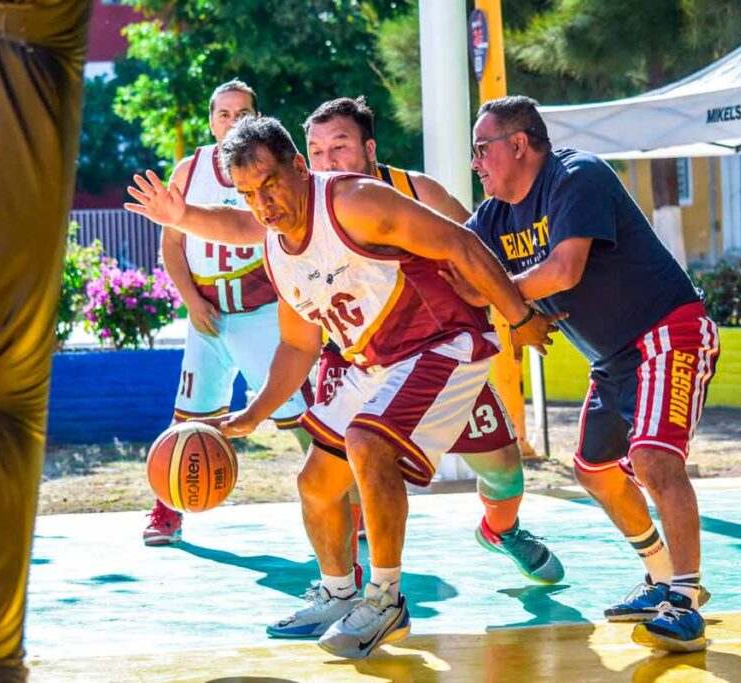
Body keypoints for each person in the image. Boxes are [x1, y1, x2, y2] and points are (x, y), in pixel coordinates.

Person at [124, 116, 560, 658]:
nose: (262, 203)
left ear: (299, 168)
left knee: (372, 443)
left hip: (442, 342)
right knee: (315, 482)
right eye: (248, 194)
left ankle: (386, 600)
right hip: (375, 361)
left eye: (269, 184)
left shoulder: (353, 201)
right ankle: (338, 592)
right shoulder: (279, 245)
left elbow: (459, 241)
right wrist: (256, 413)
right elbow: (298, 346)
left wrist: (518, 315)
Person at [444, 95, 720, 653]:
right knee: (594, 470)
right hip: (614, 358)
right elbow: (457, 270)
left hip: (668, 331)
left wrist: (507, 302)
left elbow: (564, 269)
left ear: (518, 144)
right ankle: (661, 576)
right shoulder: (495, 217)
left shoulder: (577, 175)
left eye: (482, 149)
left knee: (653, 458)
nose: (477, 162)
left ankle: (685, 600)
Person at [301, 95, 563, 588]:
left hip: (437, 352)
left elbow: (480, 249)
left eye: (339, 147)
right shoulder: (305, 208)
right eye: (316, 151)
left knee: (506, 474)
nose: (327, 161)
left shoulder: (414, 190)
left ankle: (501, 529)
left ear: (370, 149)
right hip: (360, 359)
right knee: (344, 468)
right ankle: (349, 581)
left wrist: (514, 307)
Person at [143, 80, 311, 547]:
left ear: (256, 118)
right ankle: (167, 510)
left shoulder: (267, 170)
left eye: (242, 114)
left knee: (301, 417)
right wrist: (191, 301)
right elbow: (171, 242)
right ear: (211, 119)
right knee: (188, 419)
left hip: (261, 311)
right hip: (207, 315)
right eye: (224, 114)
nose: (232, 122)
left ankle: (345, 503)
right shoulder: (189, 168)